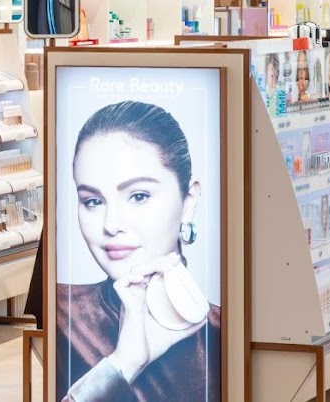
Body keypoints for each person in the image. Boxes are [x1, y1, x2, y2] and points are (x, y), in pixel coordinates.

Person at [57, 101, 220, 402]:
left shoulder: (226, 333)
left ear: (188, 201)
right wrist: (124, 364)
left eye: (139, 196)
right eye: (93, 201)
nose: (111, 224)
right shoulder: (62, 315)